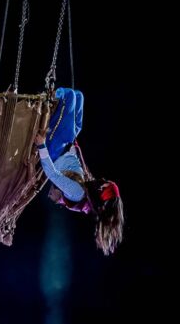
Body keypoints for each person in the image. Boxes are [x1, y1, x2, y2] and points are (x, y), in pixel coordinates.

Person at [34, 87, 124, 256]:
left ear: (102, 192)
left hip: (55, 150)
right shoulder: (87, 189)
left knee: (69, 96)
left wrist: (41, 146)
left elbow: (52, 174)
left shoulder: (78, 193)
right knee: (79, 96)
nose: (103, 181)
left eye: (105, 184)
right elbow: (77, 166)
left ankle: (49, 94)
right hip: (67, 146)